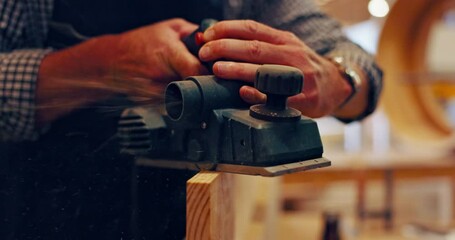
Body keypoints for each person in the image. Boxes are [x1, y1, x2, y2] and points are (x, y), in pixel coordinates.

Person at [0, 0, 383, 239]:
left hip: (193, 217)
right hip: (42, 211)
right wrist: (103, 64)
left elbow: (364, 69)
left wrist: (337, 79)